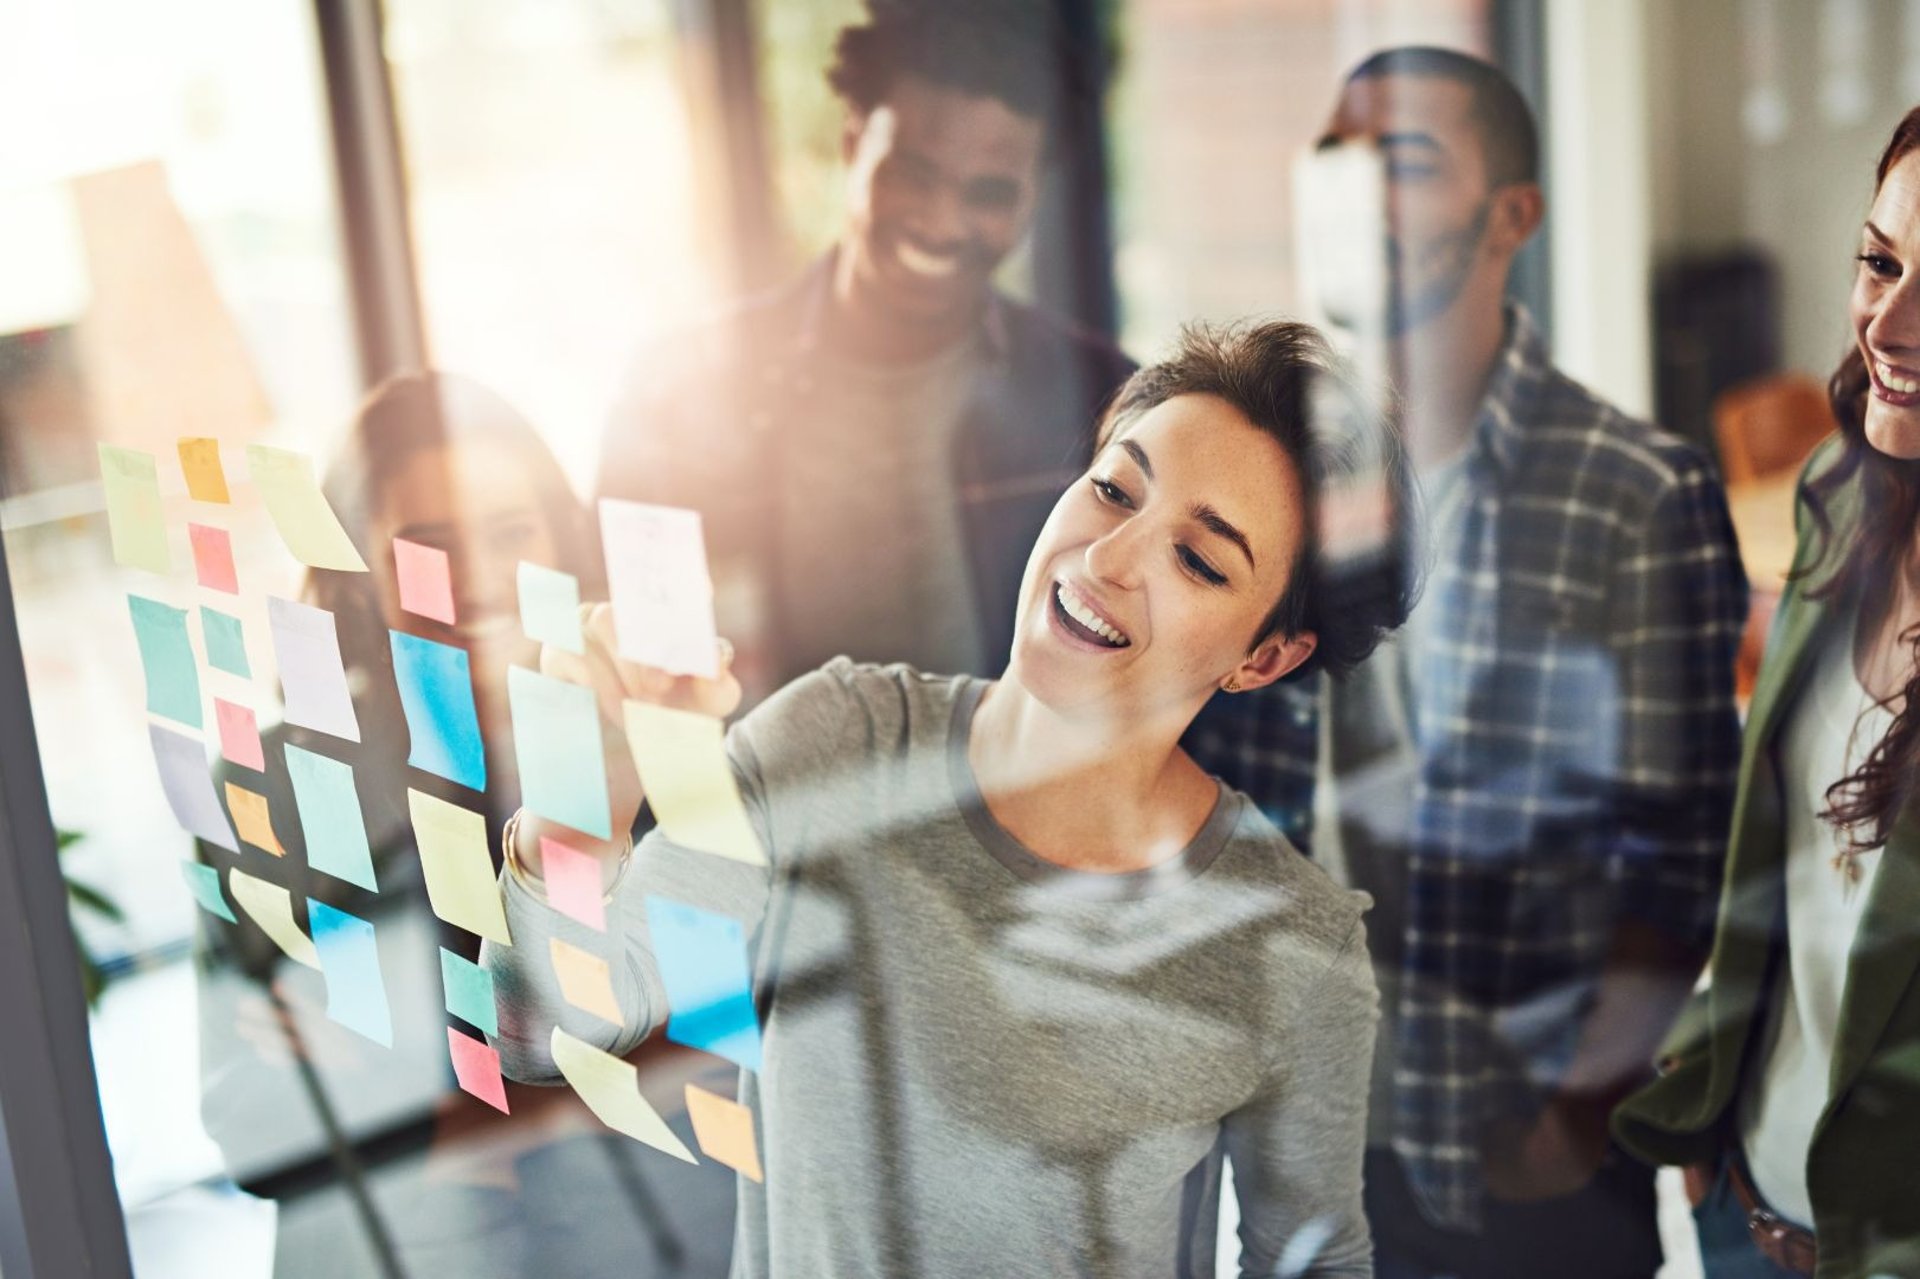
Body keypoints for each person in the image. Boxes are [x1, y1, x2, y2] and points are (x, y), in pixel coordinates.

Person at [489, 321, 1412, 1277]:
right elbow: (542, 1029)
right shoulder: (833, 742)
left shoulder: (1294, 947)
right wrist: (583, 798)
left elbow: (1314, 1260)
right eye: (1112, 490)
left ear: (1262, 656)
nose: (1107, 559)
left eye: (1199, 560)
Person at [1182, 47, 1748, 1278]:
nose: (1361, 192)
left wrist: (1573, 1125)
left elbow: (1683, 855)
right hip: (1306, 1145)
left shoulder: (1635, 495)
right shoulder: (1265, 485)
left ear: (1513, 217)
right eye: (1340, 158)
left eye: (1410, 161)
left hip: (1523, 1170)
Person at [195, 374, 729, 1277]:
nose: (477, 576)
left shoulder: (670, 746)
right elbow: (250, 1122)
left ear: (562, 541)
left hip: (647, 1236)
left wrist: (403, 1084)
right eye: (425, 546)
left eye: (511, 533)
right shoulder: (279, 785)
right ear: (358, 571)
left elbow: (734, 1047)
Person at [596, 0, 1134, 702]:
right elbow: (628, 683)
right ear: (852, 144)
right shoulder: (677, 392)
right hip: (755, 807)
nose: (941, 223)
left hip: (1023, 812)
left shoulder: (1105, 403)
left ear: (1034, 197)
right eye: (911, 174)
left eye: (990, 193)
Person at [1614, 105, 1920, 1279]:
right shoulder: (1841, 496)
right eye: (1880, 262)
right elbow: (1773, 858)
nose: (1890, 322)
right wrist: (1705, 1100)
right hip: (1740, 1208)